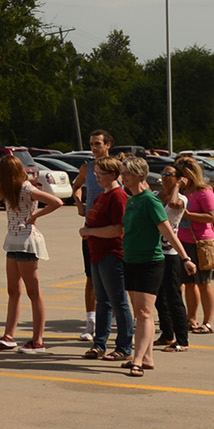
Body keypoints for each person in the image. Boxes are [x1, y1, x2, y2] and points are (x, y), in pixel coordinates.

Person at [111, 157, 197, 376]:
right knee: (140, 314)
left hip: (151, 262)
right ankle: (148, 357)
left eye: (127, 173)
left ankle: (137, 360)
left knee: (144, 312)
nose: (123, 176)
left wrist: (185, 258)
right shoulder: (132, 200)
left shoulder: (151, 201)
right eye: (123, 172)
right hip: (131, 261)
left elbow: (167, 231)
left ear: (139, 175)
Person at [0, 155, 62, 354]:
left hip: (27, 241)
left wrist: (34, 216)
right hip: (13, 240)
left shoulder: (26, 188)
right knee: (13, 291)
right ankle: (8, 335)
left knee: (34, 292)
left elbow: (56, 202)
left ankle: (38, 340)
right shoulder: (9, 189)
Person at [77, 157, 132, 362]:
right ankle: (99, 343)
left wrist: (91, 231)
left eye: (100, 174)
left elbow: (119, 229)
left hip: (112, 255)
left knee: (119, 302)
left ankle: (124, 346)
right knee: (103, 302)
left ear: (112, 174)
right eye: (96, 173)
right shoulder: (103, 195)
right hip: (97, 254)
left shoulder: (118, 196)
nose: (96, 177)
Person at [72, 131, 117, 341]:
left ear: (108, 145)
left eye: (98, 144)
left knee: (116, 276)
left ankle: (118, 317)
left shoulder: (117, 168)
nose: (94, 148)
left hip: (113, 227)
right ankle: (91, 323)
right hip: (90, 226)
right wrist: (79, 202)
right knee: (91, 276)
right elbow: (76, 186)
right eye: (91, 144)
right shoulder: (87, 167)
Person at [176, 157, 214, 335]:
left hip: (201, 242)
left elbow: (212, 217)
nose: (181, 178)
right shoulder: (180, 191)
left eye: (183, 174)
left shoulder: (204, 192)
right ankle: (191, 319)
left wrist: (188, 215)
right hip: (183, 241)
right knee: (188, 283)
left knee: (203, 283)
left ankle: (208, 322)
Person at [154, 166, 192, 352]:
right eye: (163, 173)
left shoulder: (181, 199)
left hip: (170, 254)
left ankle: (182, 340)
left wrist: (177, 186)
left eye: (169, 174)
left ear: (178, 178)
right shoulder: (156, 194)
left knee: (173, 297)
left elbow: (174, 204)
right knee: (159, 298)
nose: (164, 177)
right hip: (154, 252)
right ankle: (167, 334)